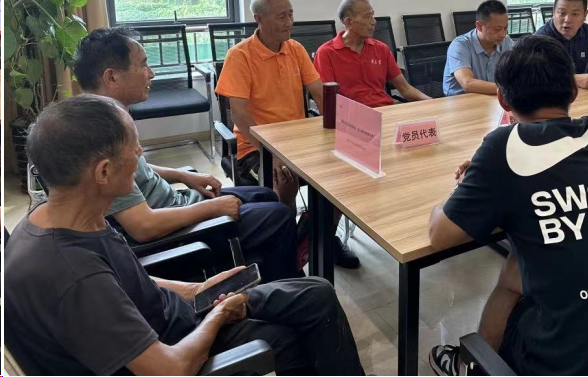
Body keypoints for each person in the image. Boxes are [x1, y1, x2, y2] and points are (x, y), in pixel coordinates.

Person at [5, 95, 364, 376]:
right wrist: (218, 315)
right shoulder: (74, 275)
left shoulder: (60, 215)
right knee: (291, 337)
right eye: (133, 148)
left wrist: (196, 290)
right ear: (103, 172)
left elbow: (128, 280)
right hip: (174, 346)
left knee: (315, 292)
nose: (140, 155)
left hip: (177, 315)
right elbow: (170, 369)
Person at [428, 35, 588, 375]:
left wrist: (464, 188)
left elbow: (440, 235)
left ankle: (470, 365)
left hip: (572, 363)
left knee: (514, 276)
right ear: (573, 92)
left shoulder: (503, 145)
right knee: (523, 265)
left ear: (502, 99)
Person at [73, 27, 299, 283]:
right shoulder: (101, 135)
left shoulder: (102, 116)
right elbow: (144, 226)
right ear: (112, 77)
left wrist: (183, 176)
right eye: (143, 65)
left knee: (266, 195)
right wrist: (211, 208)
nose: (151, 73)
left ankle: (278, 268)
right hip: (175, 231)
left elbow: (136, 168)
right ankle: (284, 290)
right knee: (279, 216)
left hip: (176, 204)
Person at [216, 0, 360, 269]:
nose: (289, 22)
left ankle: (321, 240)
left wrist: (344, 132)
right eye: (281, 16)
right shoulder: (240, 56)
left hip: (300, 141)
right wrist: (271, 154)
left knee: (345, 173)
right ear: (259, 19)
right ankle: (287, 255)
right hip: (255, 147)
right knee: (285, 180)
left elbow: (320, 93)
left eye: (291, 14)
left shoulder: (295, 49)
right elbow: (241, 116)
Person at [314, 0, 430, 107]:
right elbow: (327, 102)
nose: (374, 21)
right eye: (367, 16)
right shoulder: (326, 53)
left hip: (385, 111)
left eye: (372, 15)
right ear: (349, 22)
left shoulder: (381, 49)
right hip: (351, 116)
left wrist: (433, 103)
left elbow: (405, 89)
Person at [443, 0, 514, 96]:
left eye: (505, 28)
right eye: (497, 29)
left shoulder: (506, 42)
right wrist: (511, 89)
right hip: (460, 100)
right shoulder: (460, 45)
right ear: (479, 26)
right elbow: (468, 83)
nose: (502, 34)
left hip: (490, 97)